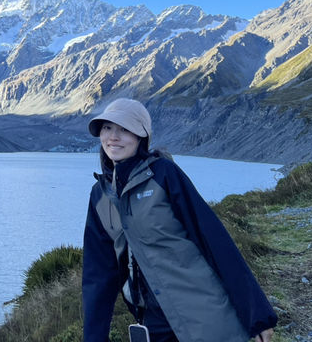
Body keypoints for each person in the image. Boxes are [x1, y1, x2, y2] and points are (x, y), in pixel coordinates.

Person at [82, 98, 277, 342]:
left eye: (124, 129)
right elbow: (98, 275)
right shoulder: (100, 196)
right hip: (150, 323)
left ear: (141, 136)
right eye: (107, 128)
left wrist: (257, 315)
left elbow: (214, 241)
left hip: (203, 313)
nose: (113, 137)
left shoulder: (163, 175)